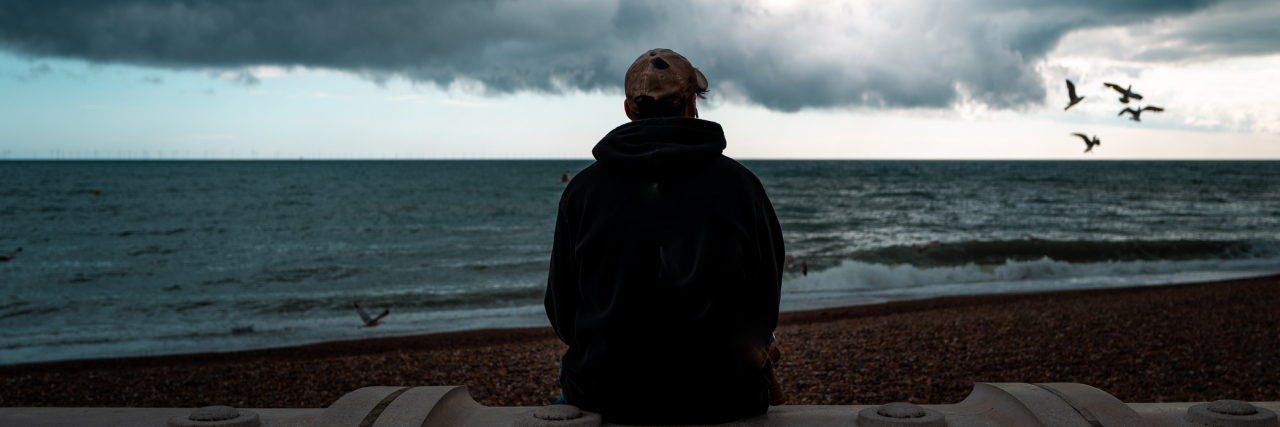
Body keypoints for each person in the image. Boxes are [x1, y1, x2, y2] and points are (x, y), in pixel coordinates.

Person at [544, 48, 786, 425]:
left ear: (628, 109)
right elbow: (764, 304)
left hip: (604, 394)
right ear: (692, 104)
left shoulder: (581, 192)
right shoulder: (742, 187)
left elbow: (562, 314)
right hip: (724, 396)